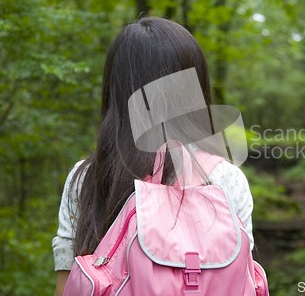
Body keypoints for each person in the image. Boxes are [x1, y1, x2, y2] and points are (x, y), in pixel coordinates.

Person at [52, 17, 254, 296]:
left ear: (115, 88)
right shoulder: (225, 179)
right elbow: (241, 282)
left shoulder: (87, 177)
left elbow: (68, 284)